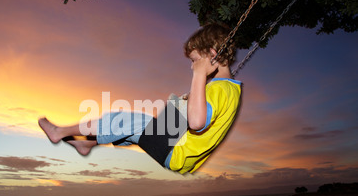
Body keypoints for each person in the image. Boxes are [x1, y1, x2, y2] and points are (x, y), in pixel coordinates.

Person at [38, 23, 242, 174]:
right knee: (129, 131)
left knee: (121, 120)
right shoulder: (230, 90)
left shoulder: (220, 90)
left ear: (212, 55)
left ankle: (59, 132)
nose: (192, 66)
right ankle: (87, 144)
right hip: (179, 147)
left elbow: (197, 122)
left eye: (195, 60)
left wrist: (198, 75)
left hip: (177, 150)